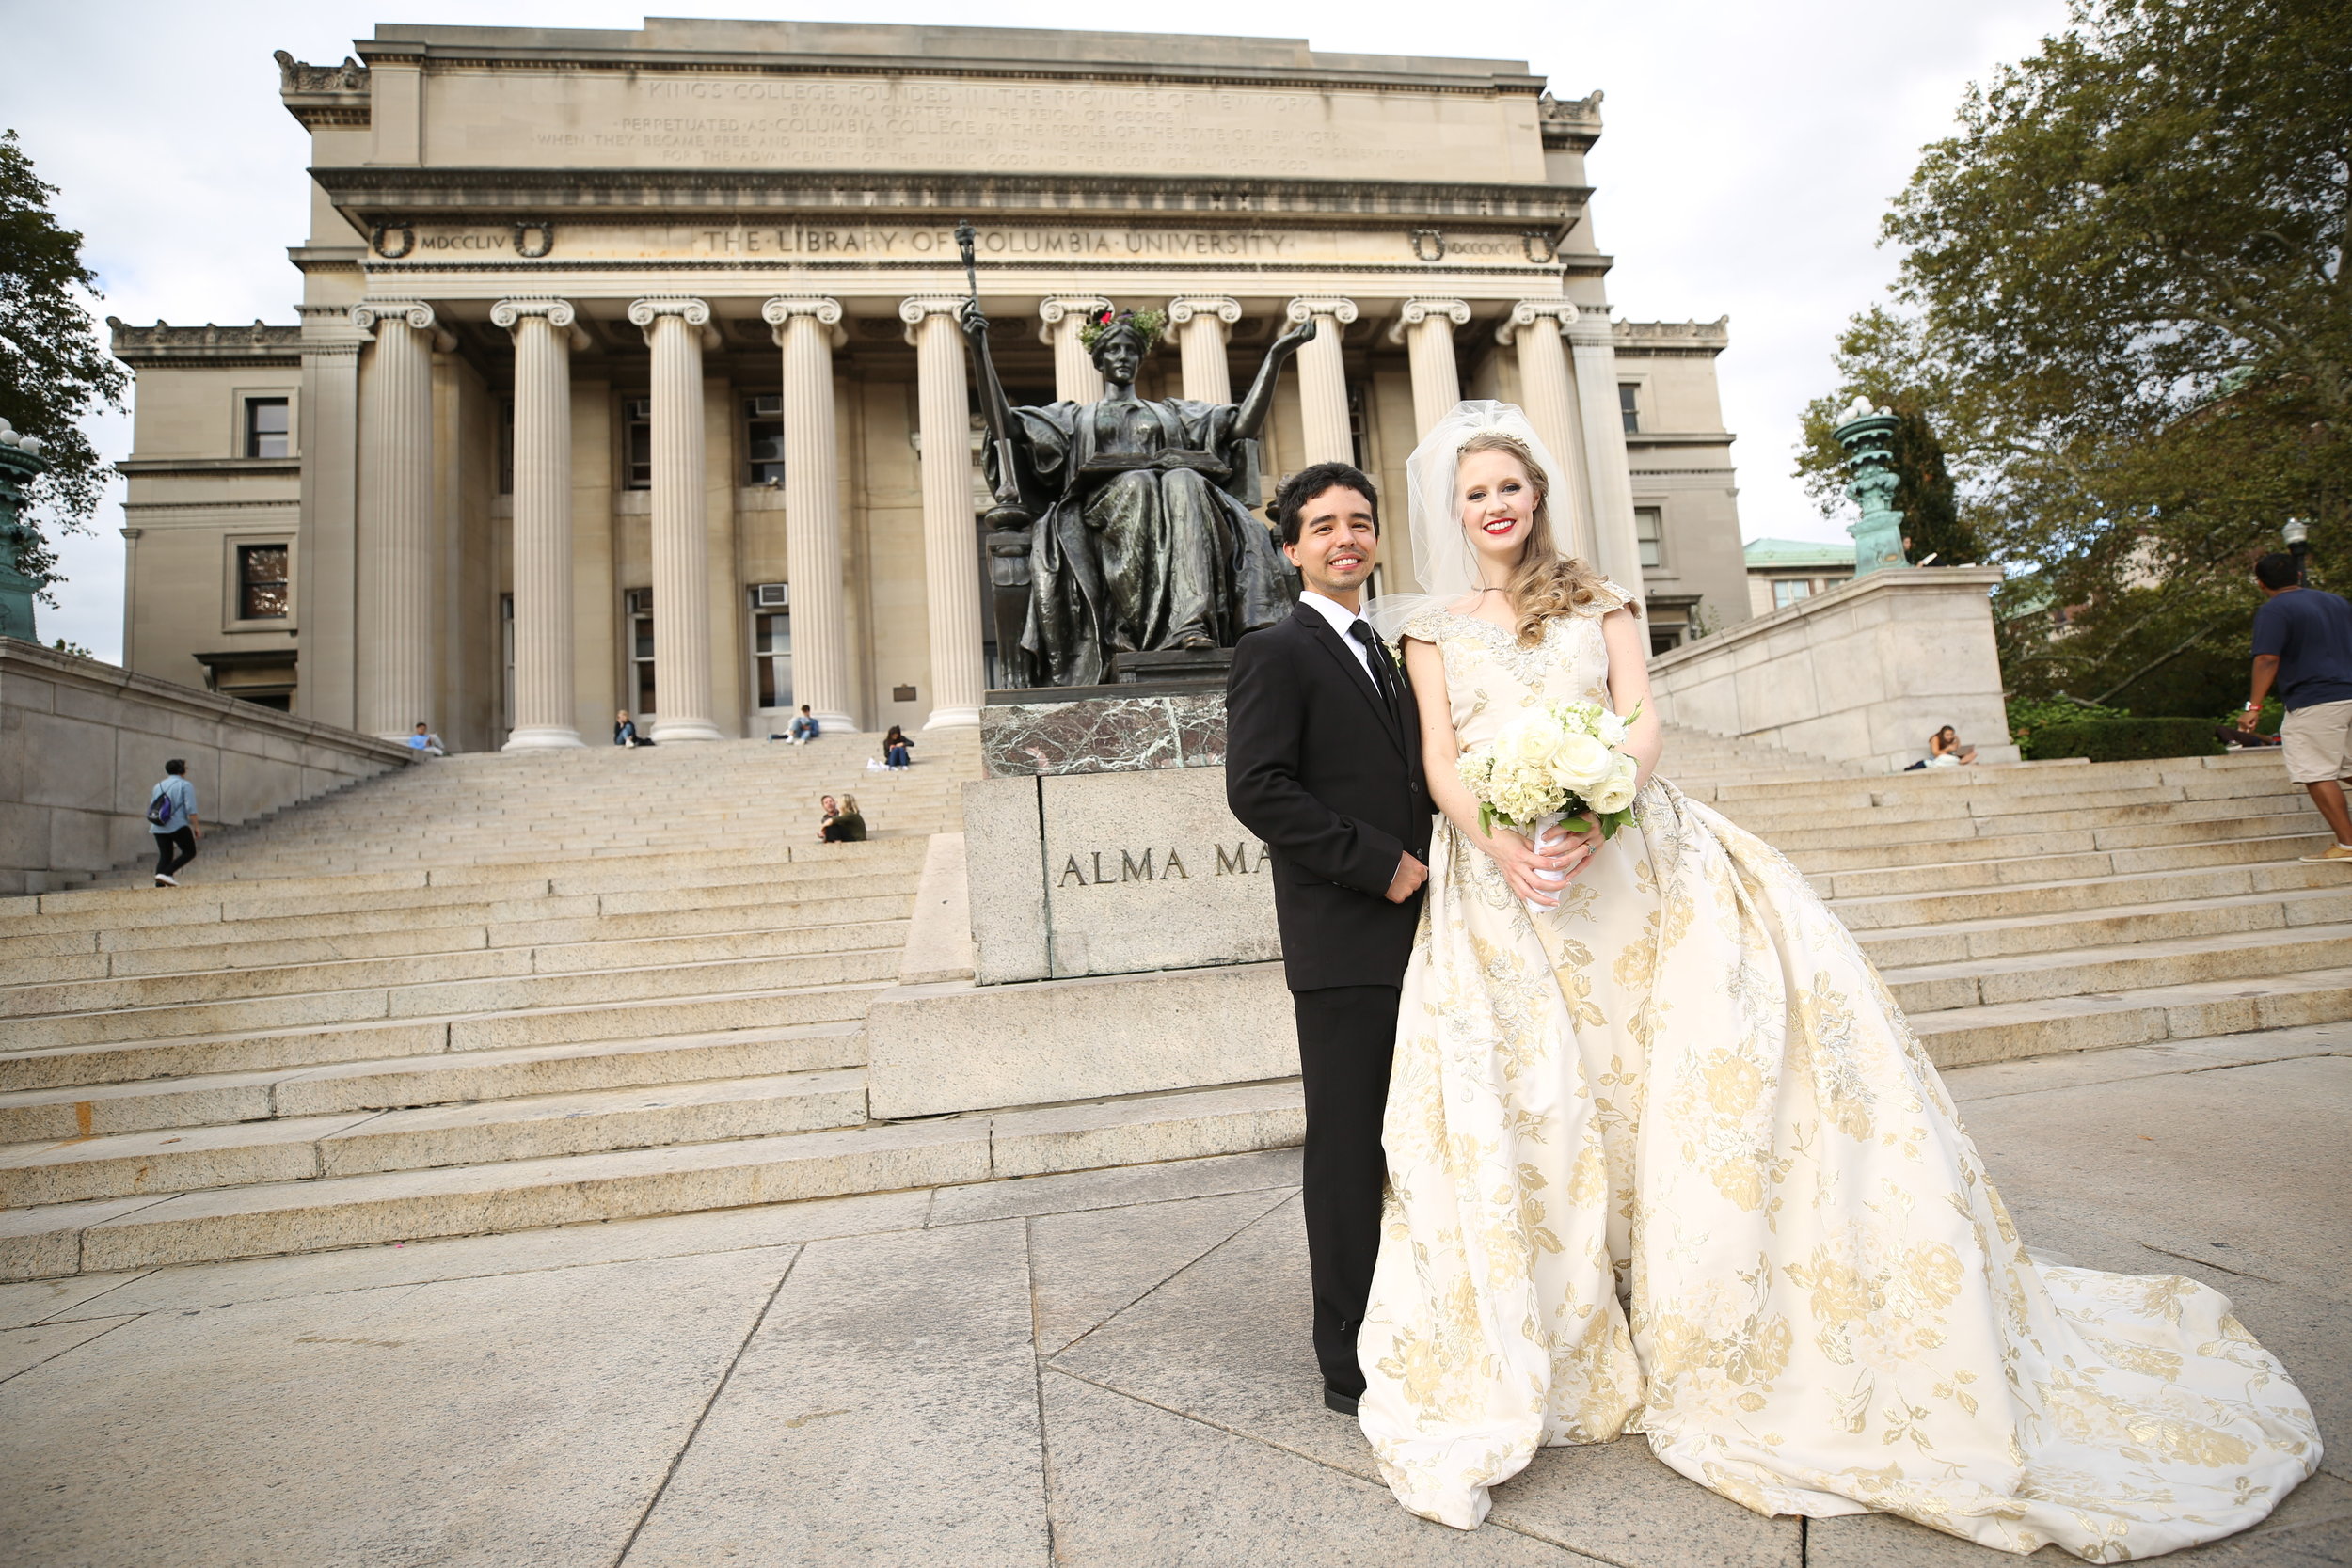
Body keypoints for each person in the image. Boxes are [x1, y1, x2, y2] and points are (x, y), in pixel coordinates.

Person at [1349, 402, 2317, 1552]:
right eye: (1474, 493)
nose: (1494, 505)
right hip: (1506, 894)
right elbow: (1438, 759)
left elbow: (1640, 715)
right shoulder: (1427, 627)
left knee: (1671, 1096)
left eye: (1509, 485)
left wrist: (1604, 802)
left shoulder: (1598, 597)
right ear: (1452, 511)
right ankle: (1569, 1335)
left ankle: (1696, 1321)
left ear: (1536, 493)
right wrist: (1501, 840)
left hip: (1630, 867)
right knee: (1545, 1106)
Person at [1224, 459, 1446, 1419]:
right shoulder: (1275, 650)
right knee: (1349, 1145)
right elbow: (1257, 787)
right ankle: (1347, 1359)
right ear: (1290, 547)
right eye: (1323, 526)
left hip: (1429, 934)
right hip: (1345, 938)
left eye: (1358, 521)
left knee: (1420, 1137)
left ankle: (1421, 1318)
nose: (1345, 538)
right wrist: (1376, 862)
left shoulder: (1391, 652)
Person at [2246, 552, 2352, 863]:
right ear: (2300, 576)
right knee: (2347, 766)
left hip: (2315, 699)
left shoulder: (2275, 610)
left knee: (2315, 770)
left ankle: (2348, 845)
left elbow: (2267, 658)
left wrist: (2254, 706)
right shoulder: (2337, 603)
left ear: (2261, 584)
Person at [146, 757, 201, 887]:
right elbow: (191, 808)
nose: (186, 770)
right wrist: (196, 827)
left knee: (165, 856)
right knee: (189, 852)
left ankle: (159, 886)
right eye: (185, 767)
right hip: (177, 824)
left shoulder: (158, 785)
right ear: (181, 769)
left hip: (158, 825)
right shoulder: (185, 785)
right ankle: (167, 873)